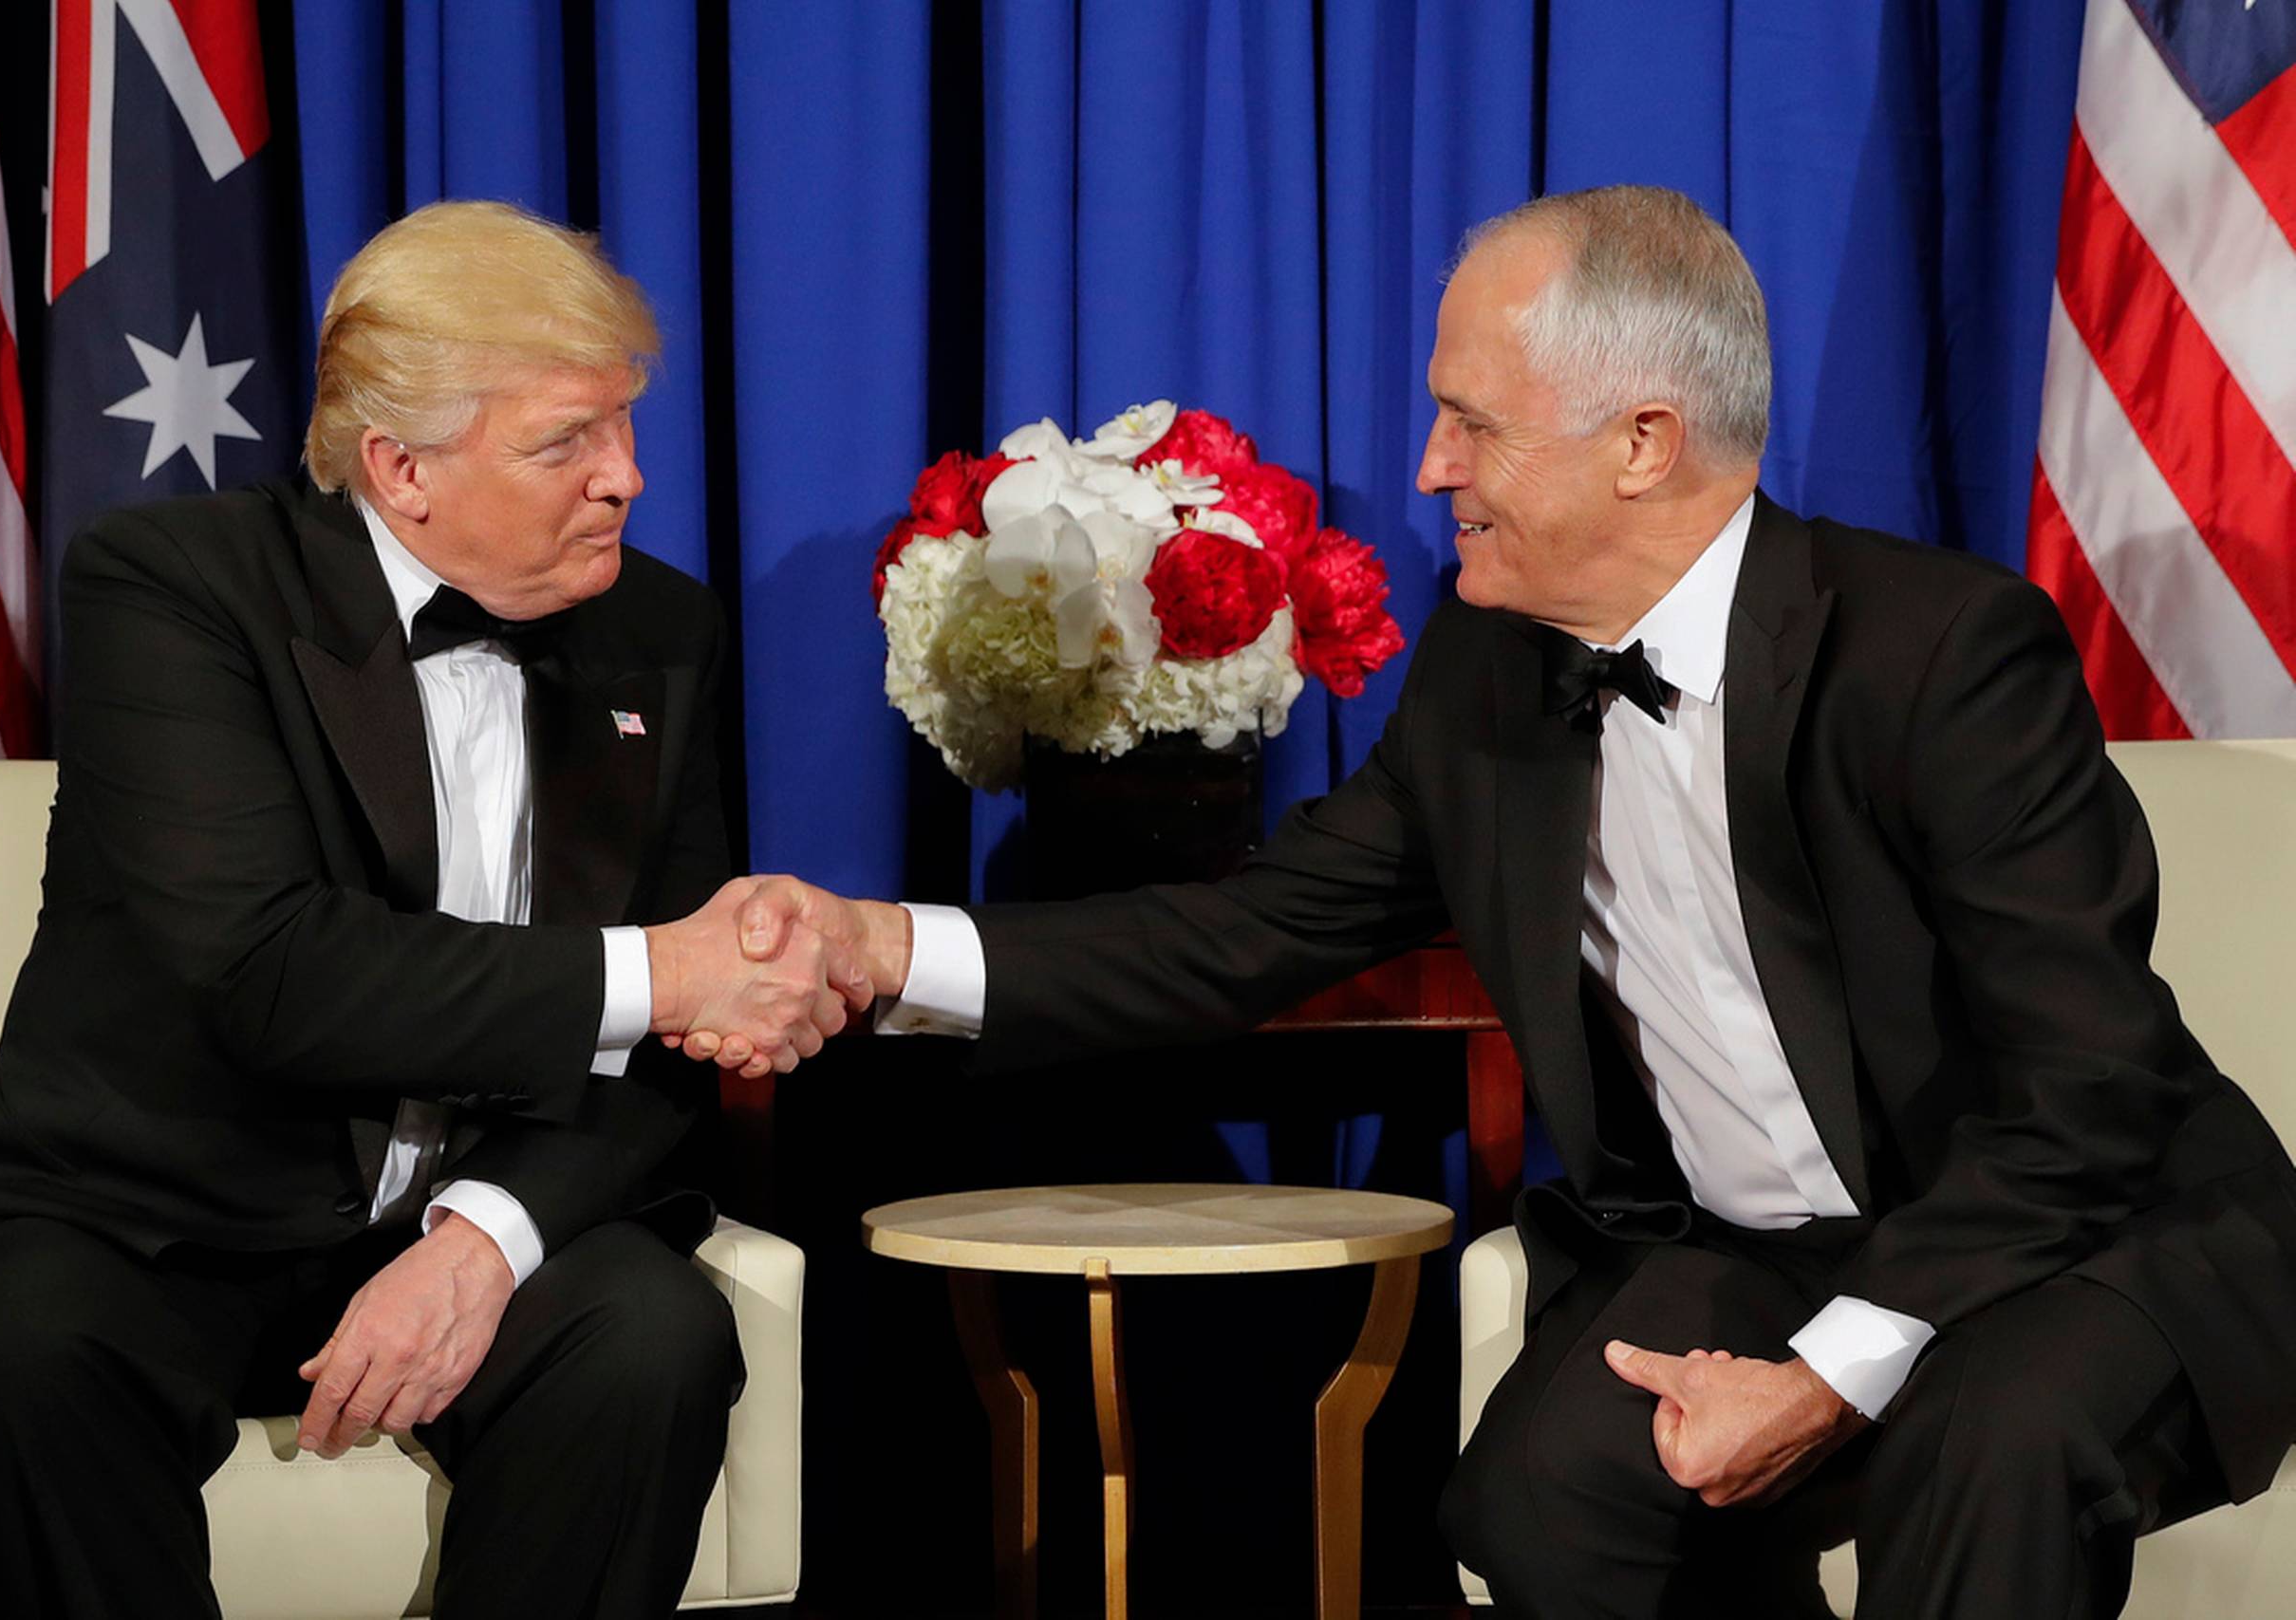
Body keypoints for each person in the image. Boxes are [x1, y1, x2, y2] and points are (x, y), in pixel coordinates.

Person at [703, 186, 2296, 1618]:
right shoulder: (1488, 674)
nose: (1427, 470)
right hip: (1764, 1241)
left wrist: (1826, 1372)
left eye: (1473, 425)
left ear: (1645, 443)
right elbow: (1249, 934)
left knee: (1985, 1444)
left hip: (2088, 1232)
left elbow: (2084, 1096)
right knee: (1541, 1502)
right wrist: (880, 944)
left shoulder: (1942, 653)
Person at [0, 199, 861, 1620]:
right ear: (398, 469)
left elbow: (667, 1061)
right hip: (146, 1214)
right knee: (21, 1356)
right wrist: (667, 973)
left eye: (625, 430)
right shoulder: (176, 586)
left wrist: (486, 1238)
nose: (627, 479)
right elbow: (268, 968)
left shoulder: (662, 632)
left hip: (462, 1202)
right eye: (563, 442)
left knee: (651, 1338)